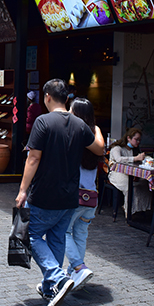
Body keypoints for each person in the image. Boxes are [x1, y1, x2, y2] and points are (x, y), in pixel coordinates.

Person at [15, 78, 103, 306]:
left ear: (47, 97)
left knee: (31, 234)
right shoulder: (80, 124)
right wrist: (92, 130)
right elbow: (99, 148)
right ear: (66, 98)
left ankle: (58, 277)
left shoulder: (43, 121)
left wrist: (22, 190)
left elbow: (33, 158)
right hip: (70, 197)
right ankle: (50, 288)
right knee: (56, 238)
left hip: (45, 193)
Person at [64, 97, 104, 291]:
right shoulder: (95, 132)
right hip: (91, 197)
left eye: (70, 110)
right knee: (80, 234)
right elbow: (101, 148)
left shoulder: (74, 132)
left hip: (75, 196)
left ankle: (79, 267)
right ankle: (74, 273)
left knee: (63, 232)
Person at [107, 128, 152, 216]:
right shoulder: (117, 148)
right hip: (116, 174)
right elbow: (119, 159)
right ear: (128, 138)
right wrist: (135, 158)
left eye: (139, 140)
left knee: (144, 183)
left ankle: (140, 210)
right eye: (136, 139)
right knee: (130, 186)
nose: (138, 142)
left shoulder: (133, 150)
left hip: (130, 174)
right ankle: (129, 212)